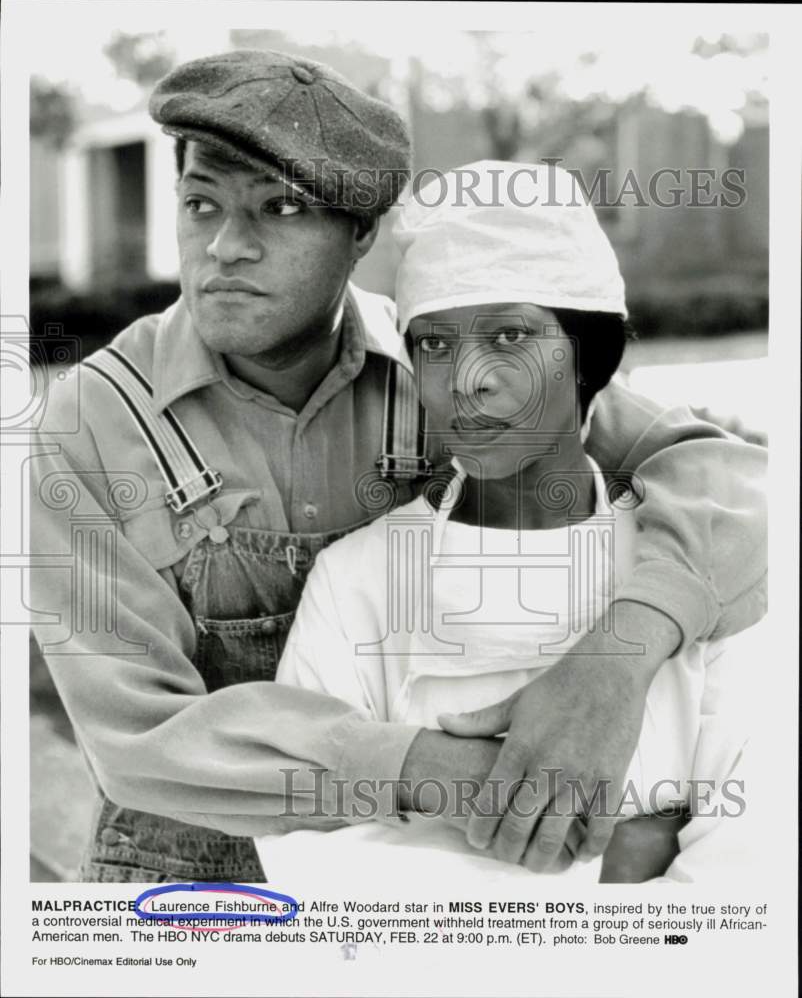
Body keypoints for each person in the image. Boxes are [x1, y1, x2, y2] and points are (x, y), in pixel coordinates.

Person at [30, 49, 766, 884]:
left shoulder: (447, 363)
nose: (227, 247)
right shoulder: (92, 421)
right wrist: (449, 774)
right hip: (180, 882)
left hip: (424, 882)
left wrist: (614, 660)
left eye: (279, 207)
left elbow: (727, 477)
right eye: (201, 204)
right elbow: (134, 735)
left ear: (360, 235)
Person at [263, 162, 751, 884]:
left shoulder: (704, 572)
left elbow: (751, 871)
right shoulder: (357, 582)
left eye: (512, 336)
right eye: (433, 344)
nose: (467, 379)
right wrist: (610, 864)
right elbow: (311, 852)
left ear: (587, 354)